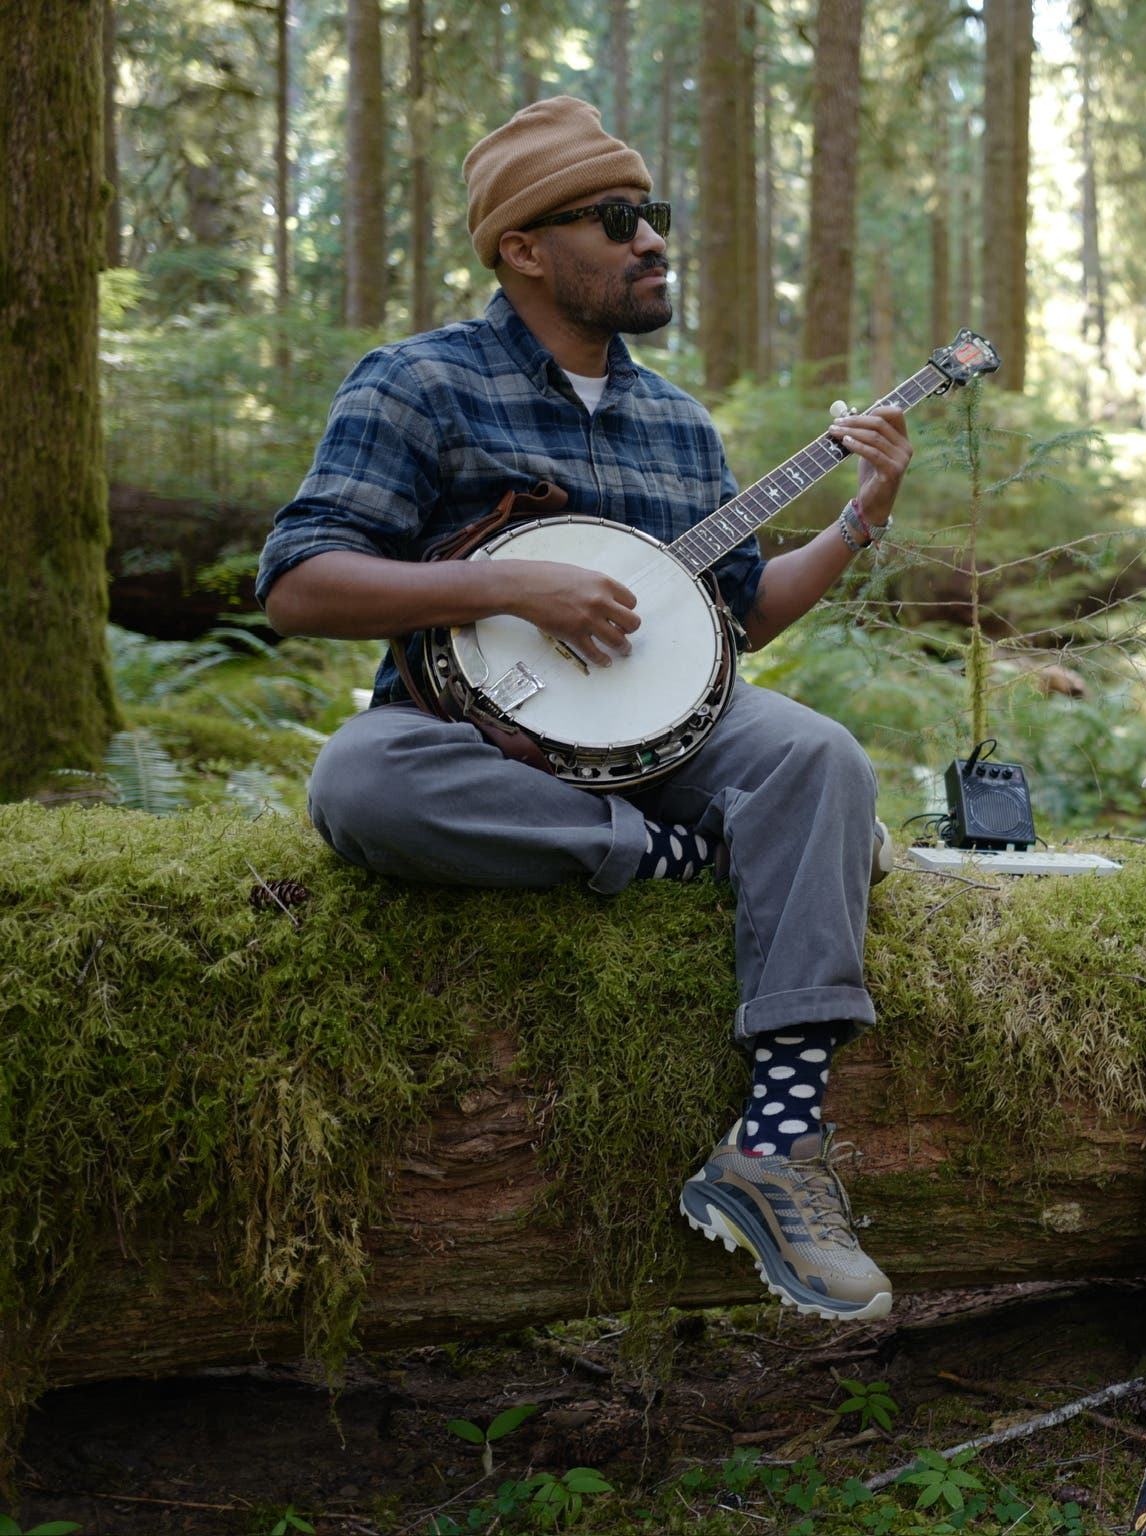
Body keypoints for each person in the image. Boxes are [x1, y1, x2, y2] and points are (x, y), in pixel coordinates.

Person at [258, 97, 905, 1323]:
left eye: (653, 215)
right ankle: (685, 860)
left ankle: (777, 1147)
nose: (652, 240)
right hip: (465, 739)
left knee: (817, 756)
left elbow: (740, 618)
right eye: (618, 220)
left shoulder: (674, 422)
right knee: (358, 784)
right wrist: (503, 582)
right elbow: (298, 583)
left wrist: (860, 516)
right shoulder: (419, 385)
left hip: (667, 743)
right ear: (523, 249)